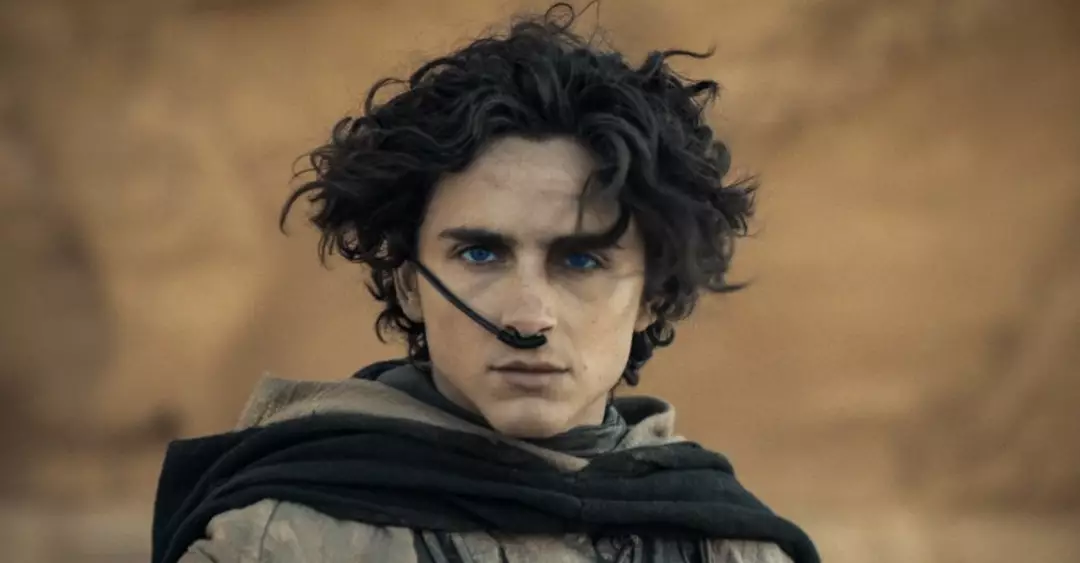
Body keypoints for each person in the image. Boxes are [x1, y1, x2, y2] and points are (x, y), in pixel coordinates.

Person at [151, 4, 819, 562]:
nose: (528, 317)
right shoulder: (274, 541)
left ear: (654, 295)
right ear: (409, 284)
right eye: (480, 253)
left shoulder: (731, 549)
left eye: (581, 261)